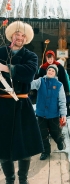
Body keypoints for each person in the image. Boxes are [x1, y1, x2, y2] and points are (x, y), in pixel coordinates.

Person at [0, 21, 43, 184]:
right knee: (3, 146)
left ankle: (23, 179)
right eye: (17, 34)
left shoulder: (31, 56)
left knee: (24, 145)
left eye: (23, 35)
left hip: (22, 105)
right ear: (12, 35)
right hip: (2, 105)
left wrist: (6, 68)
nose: (20, 37)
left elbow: (29, 73)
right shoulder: (1, 52)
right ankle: (10, 180)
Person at [31, 64, 67, 161]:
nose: (50, 72)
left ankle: (59, 140)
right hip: (41, 114)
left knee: (54, 132)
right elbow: (31, 84)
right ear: (46, 71)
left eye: (53, 71)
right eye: (49, 70)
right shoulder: (40, 81)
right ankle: (45, 151)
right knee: (42, 134)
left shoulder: (59, 85)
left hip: (53, 114)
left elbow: (62, 101)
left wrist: (63, 114)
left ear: (55, 73)